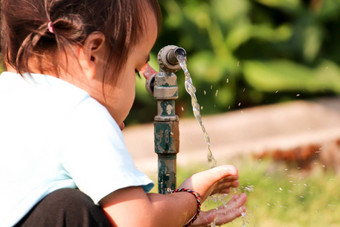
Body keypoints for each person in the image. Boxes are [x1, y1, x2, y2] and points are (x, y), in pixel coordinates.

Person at [0, 0, 247, 226]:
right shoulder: (82, 114)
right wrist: (191, 197)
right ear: (92, 53)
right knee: (70, 208)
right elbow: (139, 221)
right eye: (136, 69)